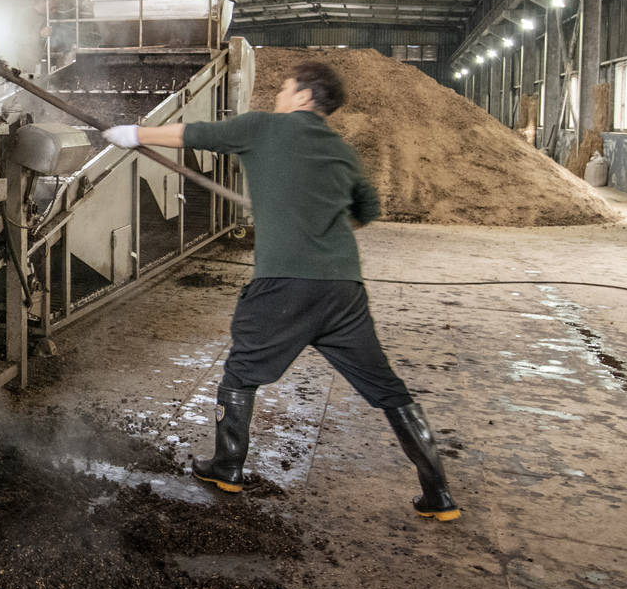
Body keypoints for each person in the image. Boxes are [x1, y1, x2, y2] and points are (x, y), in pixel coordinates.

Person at [102, 61, 459, 522]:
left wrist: (134, 134)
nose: (277, 96)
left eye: (285, 88)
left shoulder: (262, 128)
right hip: (342, 289)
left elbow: (196, 135)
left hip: (284, 284)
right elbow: (366, 209)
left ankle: (227, 466)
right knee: (386, 387)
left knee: (241, 371)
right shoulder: (342, 151)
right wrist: (313, 220)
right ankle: (439, 495)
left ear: (305, 95)